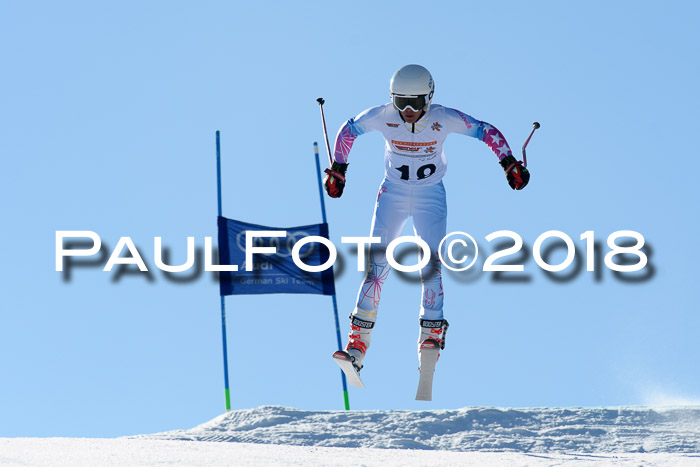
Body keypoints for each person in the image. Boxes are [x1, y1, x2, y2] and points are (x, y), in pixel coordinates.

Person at [324, 64, 529, 374]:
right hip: (392, 194)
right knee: (376, 267)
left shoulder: (442, 118)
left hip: (429, 197)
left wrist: (508, 163)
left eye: (416, 103)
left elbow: (485, 130)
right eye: (401, 102)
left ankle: (430, 337)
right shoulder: (383, 116)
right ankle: (358, 346)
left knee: (431, 266)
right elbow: (349, 130)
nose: (408, 110)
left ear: (429, 99)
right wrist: (340, 169)